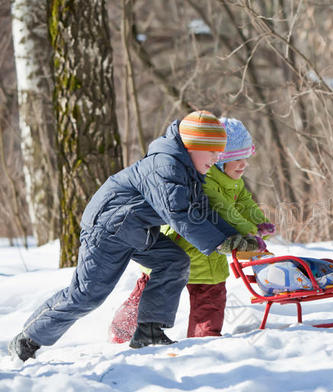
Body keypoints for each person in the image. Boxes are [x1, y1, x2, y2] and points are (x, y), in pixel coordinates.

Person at [8, 111, 262, 362]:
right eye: (213, 151)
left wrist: (234, 236)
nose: (217, 158)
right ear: (193, 146)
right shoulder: (166, 166)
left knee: (173, 261)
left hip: (137, 230)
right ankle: (29, 339)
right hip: (107, 228)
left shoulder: (189, 171)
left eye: (220, 152)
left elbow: (200, 211)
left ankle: (149, 330)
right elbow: (180, 214)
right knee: (87, 294)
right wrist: (222, 242)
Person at [109, 117, 275, 342]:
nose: (243, 164)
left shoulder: (234, 179)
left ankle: (203, 340)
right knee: (153, 291)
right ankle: (123, 329)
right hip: (181, 245)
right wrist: (249, 232)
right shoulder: (205, 181)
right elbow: (223, 210)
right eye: (237, 159)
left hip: (209, 257)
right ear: (218, 160)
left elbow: (244, 201)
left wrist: (258, 221)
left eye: (246, 157)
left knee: (211, 298)